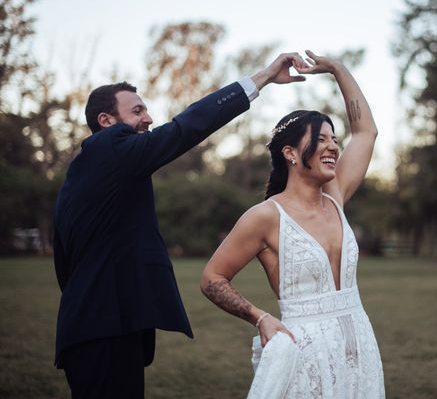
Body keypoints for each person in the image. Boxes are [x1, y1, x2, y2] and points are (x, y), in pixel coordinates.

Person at [53, 52, 307, 398]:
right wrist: (260, 78)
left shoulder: (82, 172)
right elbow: (187, 126)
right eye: (137, 111)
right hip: (104, 328)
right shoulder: (111, 149)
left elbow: (64, 260)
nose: (149, 118)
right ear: (106, 121)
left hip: (91, 324)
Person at [201, 50, 385, 398]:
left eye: (333, 138)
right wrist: (259, 317)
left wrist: (336, 68)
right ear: (290, 153)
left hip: (360, 345)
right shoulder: (266, 216)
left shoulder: (335, 197)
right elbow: (212, 278)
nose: (332, 146)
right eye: (321, 138)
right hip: (305, 354)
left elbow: (365, 132)